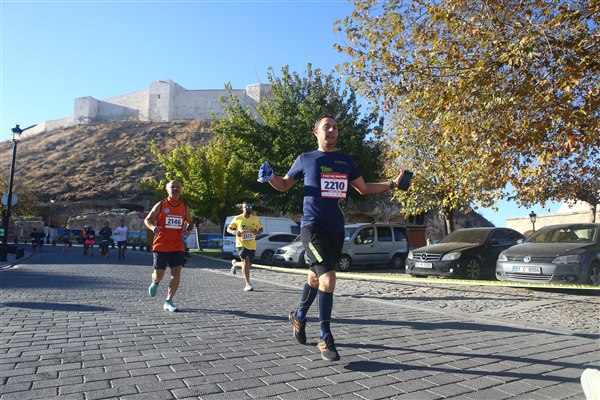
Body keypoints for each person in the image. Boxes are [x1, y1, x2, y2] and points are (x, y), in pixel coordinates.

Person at [258, 114, 412, 361]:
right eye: (326, 127)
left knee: (315, 277)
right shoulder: (306, 159)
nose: (331, 130)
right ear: (316, 132)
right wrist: (270, 178)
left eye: (335, 127)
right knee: (329, 278)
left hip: (337, 230)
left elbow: (364, 188)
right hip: (312, 228)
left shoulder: (345, 161)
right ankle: (325, 335)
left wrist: (392, 184)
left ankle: (299, 316)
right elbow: (285, 184)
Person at [144, 180, 193, 312]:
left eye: (178, 187)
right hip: (161, 245)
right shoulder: (161, 204)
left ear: (181, 190)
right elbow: (147, 219)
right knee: (159, 274)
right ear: (167, 190)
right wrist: (153, 228)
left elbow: (190, 222)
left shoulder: (184, 206)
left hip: (177, 246)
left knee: (176, 273)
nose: (175, 189)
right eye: (172, 187)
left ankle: (168, 301)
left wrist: (188, 230)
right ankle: (155, 281)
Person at [227, 201, 264, 292]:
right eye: (246, 207)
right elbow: (229, 229)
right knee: (246, 262)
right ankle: (248, 284)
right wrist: (235, 232)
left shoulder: (255, 219)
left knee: (248, 265)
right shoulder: (237, 218)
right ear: (242, 208)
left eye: (250, 207)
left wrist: (257, 231)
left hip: (252, 245)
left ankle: (235, 264)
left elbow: (261, 229)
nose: (249, 208)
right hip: (241, 244)